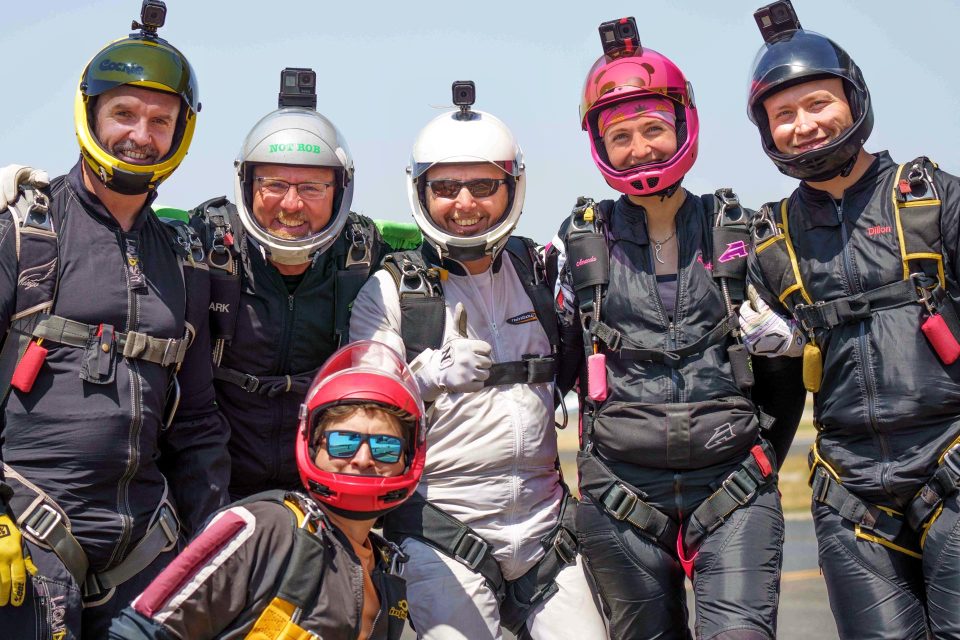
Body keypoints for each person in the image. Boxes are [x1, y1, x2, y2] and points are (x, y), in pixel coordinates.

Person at [547, 17, 803, 640]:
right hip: (619, 499)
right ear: (599, 148)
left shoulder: (744, 232)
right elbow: (551, 362)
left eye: (654, 129)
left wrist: (792, 346)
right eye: (622, 136)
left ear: (684, 127)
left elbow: (797, 362)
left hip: (736, 486)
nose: (641, 149)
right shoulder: (577, 246)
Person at [0, 5, 229, 638]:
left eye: (161, 120)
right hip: (25, 536)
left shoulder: (184, 257)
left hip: (146, 548)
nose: (141, 134)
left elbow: (200, 422)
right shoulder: (25, 232)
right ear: (92, 114)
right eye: (124, 113)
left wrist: (211, 539)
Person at [349, 84, 606, 639]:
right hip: (444, 530)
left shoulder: (539, 274)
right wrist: (424, 377)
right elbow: (363, 410)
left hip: (545, 531)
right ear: (421, 191)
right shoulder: (392, 292)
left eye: (484, 185)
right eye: (445, 187)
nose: (464, 203)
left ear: (513, 187)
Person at [744, 1, 960, 637]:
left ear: (854, 98)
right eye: (784, 115)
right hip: (849, 491)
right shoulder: (768, 244)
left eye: (818, 104)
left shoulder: (935, 199)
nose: (804, 125)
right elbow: (772, 405)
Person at [108, 340, 424, 640]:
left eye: (385, 446)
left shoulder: (388, 568)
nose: (363, 459)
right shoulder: (266, 526)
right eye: (344, 443)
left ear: (407, 459)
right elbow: (141, 630)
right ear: (314, 446)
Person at [186, 66, 386, 500]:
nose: (291, 205)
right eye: (273, 184)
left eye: (312, 187)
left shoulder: (364, 253)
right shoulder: (203, 244)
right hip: (215, 489)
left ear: (340, 191)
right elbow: (124, 240)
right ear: (246, 184)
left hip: (324, 487)